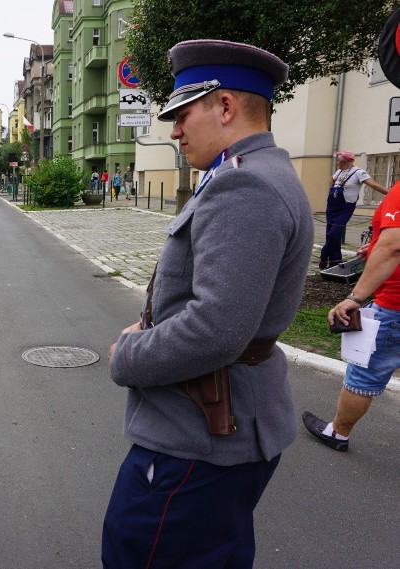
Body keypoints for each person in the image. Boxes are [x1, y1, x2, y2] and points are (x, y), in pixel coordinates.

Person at [103, 40, 313, 568]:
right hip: (222, 422)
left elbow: (217, 329)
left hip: (197, 436)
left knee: (138, 554)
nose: (173, 129)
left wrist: (129, 356)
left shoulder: (243, 184)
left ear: (224, 107)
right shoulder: (253, 172)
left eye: (182, 113)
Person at [303, 180, 400, 451]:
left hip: (394, 305)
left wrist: (354, 298)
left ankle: (337, 433)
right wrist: (375, 247)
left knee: (364, 373)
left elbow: (394, 246)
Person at [319, 151, 388, 269]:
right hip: (332, 207)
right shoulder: (339, 172)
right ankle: (335, 263)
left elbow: (374, 185)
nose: (337, 163)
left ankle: (324, 255)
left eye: (339, 161)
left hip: (345, 208)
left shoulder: (359, 172)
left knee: (333, 235)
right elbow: (331, 180)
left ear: (347, 161)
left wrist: (392, 193)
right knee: (330, 235)